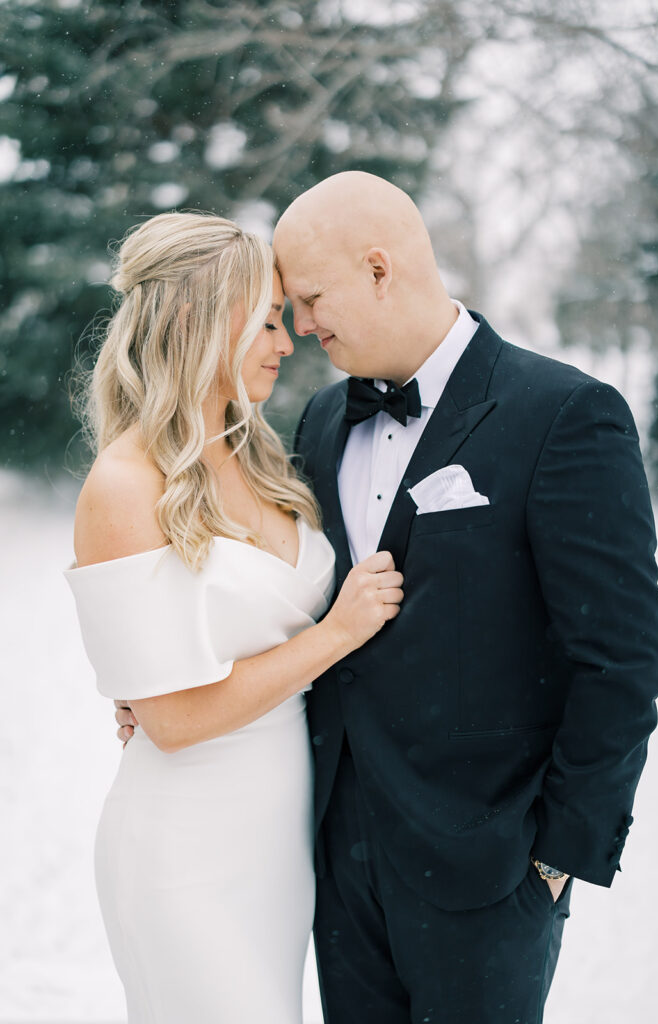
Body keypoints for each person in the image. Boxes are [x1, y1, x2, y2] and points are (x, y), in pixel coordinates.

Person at [115, 173, 658, 1023]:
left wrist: (557, 859)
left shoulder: (561, 414)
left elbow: (621, 661)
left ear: (378, 269)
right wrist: (163, 674)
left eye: (308, 298)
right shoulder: (323, 421)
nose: (299, 328)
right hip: (327, 861)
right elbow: (277, 593)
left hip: (489, 873)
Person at [64, 211, 404, 1024]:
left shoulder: (258, 450)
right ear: (193, 318)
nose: (288, 341)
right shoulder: (125, 484)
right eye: (267, 319)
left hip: (278, 845)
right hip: (184, 851)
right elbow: (173, 720)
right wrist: (335, 636)